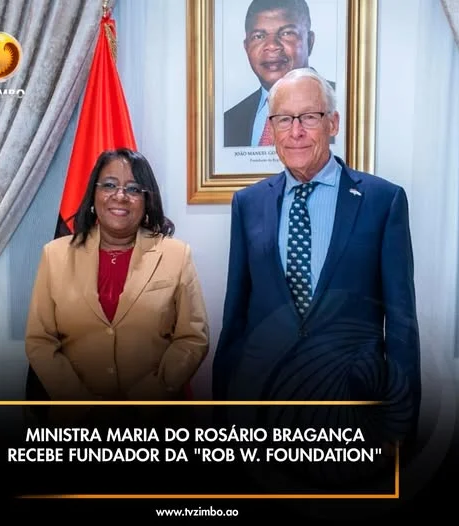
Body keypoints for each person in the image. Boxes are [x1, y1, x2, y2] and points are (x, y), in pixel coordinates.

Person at [214, 68, 421, 452]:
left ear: (333, 123)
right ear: (272, 128)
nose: (296, 132)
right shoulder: (248, 203)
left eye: (308, 117)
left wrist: (400, 420)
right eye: (283, 119)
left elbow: (402, 324)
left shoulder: (383, 201)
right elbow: (236, 318)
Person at [25, 149, 209, 420]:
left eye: (133, 189)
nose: (120, 196)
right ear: (94, 194)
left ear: (146, 200)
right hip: (76, 420)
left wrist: (144, 399)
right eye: (109, 185)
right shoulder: (55, 255)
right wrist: (80, 402)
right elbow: (40, 340)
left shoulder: (176, 255)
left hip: (153, 418)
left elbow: (192, 338)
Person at [224, 0, 334, 148]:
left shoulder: (343, 104)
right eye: (258, 36)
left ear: (309, 42)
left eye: (286, 33)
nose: (272, 46)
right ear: (246, 47)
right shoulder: (229, 121)